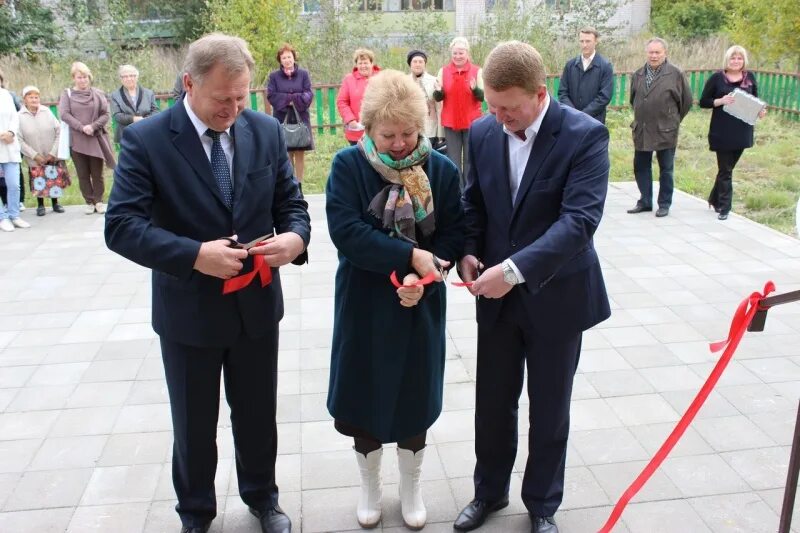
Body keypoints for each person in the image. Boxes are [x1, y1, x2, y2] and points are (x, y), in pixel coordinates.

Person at [104, 33, 310, 533]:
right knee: (195, 425)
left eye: (241, 97)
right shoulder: (148, 139)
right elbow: (122, 227)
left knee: (258, 415)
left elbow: (292, 205)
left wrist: (296, 241)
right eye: (223, 99)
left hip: (257, 306)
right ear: (189, 83)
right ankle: (195, 512)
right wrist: (195, 255)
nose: (233, 109)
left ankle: (263, 498)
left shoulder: (262, 131)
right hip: (189, 313)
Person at [454, 41, 610, 533]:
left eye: (510, 108)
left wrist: (513, 270)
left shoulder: (585, 136)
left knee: (549, 408)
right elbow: (473, 204)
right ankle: (489, 493)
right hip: (495, 299)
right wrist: (468, 253)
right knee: (493, 403)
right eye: (492, 106)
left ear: (540, 93)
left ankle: (542, 505)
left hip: (557, 296)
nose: (499, 117)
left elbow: (579, 222)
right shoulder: (483, 132)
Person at [326, 69, 464, 530]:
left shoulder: (441, 170)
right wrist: (408, 257)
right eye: (389, 135)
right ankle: (369, 486)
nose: (401, 143)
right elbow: (348, 234)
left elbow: (454, 234)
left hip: (419, 306)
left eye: (409, 132)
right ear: (368, 128)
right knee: (365, 394)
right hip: (365, 302)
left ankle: (411, 486)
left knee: (413, 393)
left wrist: (424, 277)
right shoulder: (349, 167)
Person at [626, 37, 692, 218]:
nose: (654, 56)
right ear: (646, 53)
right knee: (640, 166)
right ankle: (645, 200)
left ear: (665, 53)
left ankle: (664, 204)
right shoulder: (638, 74)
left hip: (666, 130)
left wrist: (671, 120)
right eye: (651, 52)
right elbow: (634, 100)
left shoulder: (675, 74)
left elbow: (686, 102)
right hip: (642, 129)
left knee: (666, 169)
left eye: (657, 52)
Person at [699, 45, 765, 220]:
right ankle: (724, 207)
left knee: (726, 169)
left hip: (743, 130)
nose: (736, 61)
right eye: (733, 58)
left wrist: (760, 111)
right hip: (722, 131)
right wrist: (720, 101)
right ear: (727, 60)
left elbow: (756, 100)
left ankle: (714, 198)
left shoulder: (749, 78)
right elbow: (703, 102)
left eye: (739, 58)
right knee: (726, 170)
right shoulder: (716, 79)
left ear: (744, 61)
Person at [59, 61, 116, 215]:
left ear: (89, 77)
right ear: (73, 78)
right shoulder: (67, 94)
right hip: (77, 140)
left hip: (95, 138)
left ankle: (99, 201)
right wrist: (81, 127)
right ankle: (89, 201)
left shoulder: (98, 93)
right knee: (83, 173)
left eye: (85, 77)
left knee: (97, 174)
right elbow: (64, 114)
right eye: (79, 77)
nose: (82, 80)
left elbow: (105, 114)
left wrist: (93, 126)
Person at [433, 36, 484, 186]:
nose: (457, 56)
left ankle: (469, 190)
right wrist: (438, 91)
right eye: (455, 53)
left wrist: (475, 89)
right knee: (453, 159)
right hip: (450, 121)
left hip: (471, 122)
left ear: (467, 53)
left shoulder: (477, 71)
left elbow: (482, 97)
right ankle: (458, 191)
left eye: (461, 53)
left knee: (470, 159)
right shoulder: (443, 71)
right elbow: (438, 98)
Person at [17, 85, 68, 216]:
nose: (34, 100)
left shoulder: (46, 111)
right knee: (37, 178)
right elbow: (19, 140)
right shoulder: (19, 116)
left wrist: (53, 152)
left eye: (36, 97)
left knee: (53, 177)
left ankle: (55, 203)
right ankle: (40, 205)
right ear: (25, 100)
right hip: (34, 155)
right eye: (30, 97)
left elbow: (59, 132)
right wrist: (34, 155)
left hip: (50, 153)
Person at [266, 43, 314, 182]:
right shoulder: (274, 76)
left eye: (289, 56)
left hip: (300, 117)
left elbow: (308, 93)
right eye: (284, 57)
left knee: (300, 152)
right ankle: (290, 184)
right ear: (280, 60)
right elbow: (271, 95)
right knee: (286, 152)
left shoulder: (303, 74)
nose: (287, 60)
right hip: (282, 117)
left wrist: (294, 99)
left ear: (294, 57)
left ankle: (299, 184)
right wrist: (289, 99)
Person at [557, 27, 614, 124]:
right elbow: (562, 93)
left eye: (588, 41)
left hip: (595, 121)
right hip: (571, 120)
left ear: (596, 41)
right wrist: (573, 113)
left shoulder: (605, 66)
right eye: (581, 41)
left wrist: (583, 115)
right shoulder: (570, 65)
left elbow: (604, 97)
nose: (584, 45)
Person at [0, 70, 30, 232]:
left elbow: (15, 116)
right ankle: (2, 217)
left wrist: (11, 132)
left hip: (9, 145)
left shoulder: (6, 95)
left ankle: (14, 214)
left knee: (14, 184)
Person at [337, 48, 380, 145]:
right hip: (356, 131)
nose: (363, 66)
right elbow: (342, 102)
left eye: (366, 63)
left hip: (379, 130)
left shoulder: (381, 77)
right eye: (360, 63)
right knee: (358, 158)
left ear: (372, 63)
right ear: (356, 65)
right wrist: (350, 120)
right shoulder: (349, 79)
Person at [110, 64, 160, 144]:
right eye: (125, 76)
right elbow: (117, 116)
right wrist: (134, 119)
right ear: (121, 79)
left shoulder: (148, 93)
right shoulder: (115, 95)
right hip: (126, 135)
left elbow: (156, 111)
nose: (129, 79)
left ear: (137, 77)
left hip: (147, 132)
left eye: (132, 75)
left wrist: (145, 120)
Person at [407, 49, 442, 145]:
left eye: (420, 62)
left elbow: (439, 106)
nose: (418, 64)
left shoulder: (434, 80)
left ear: (425, 64)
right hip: (410, 126)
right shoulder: (404, 81)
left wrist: (440, 133)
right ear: (410, 64)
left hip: (430, 126)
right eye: (415, 62)